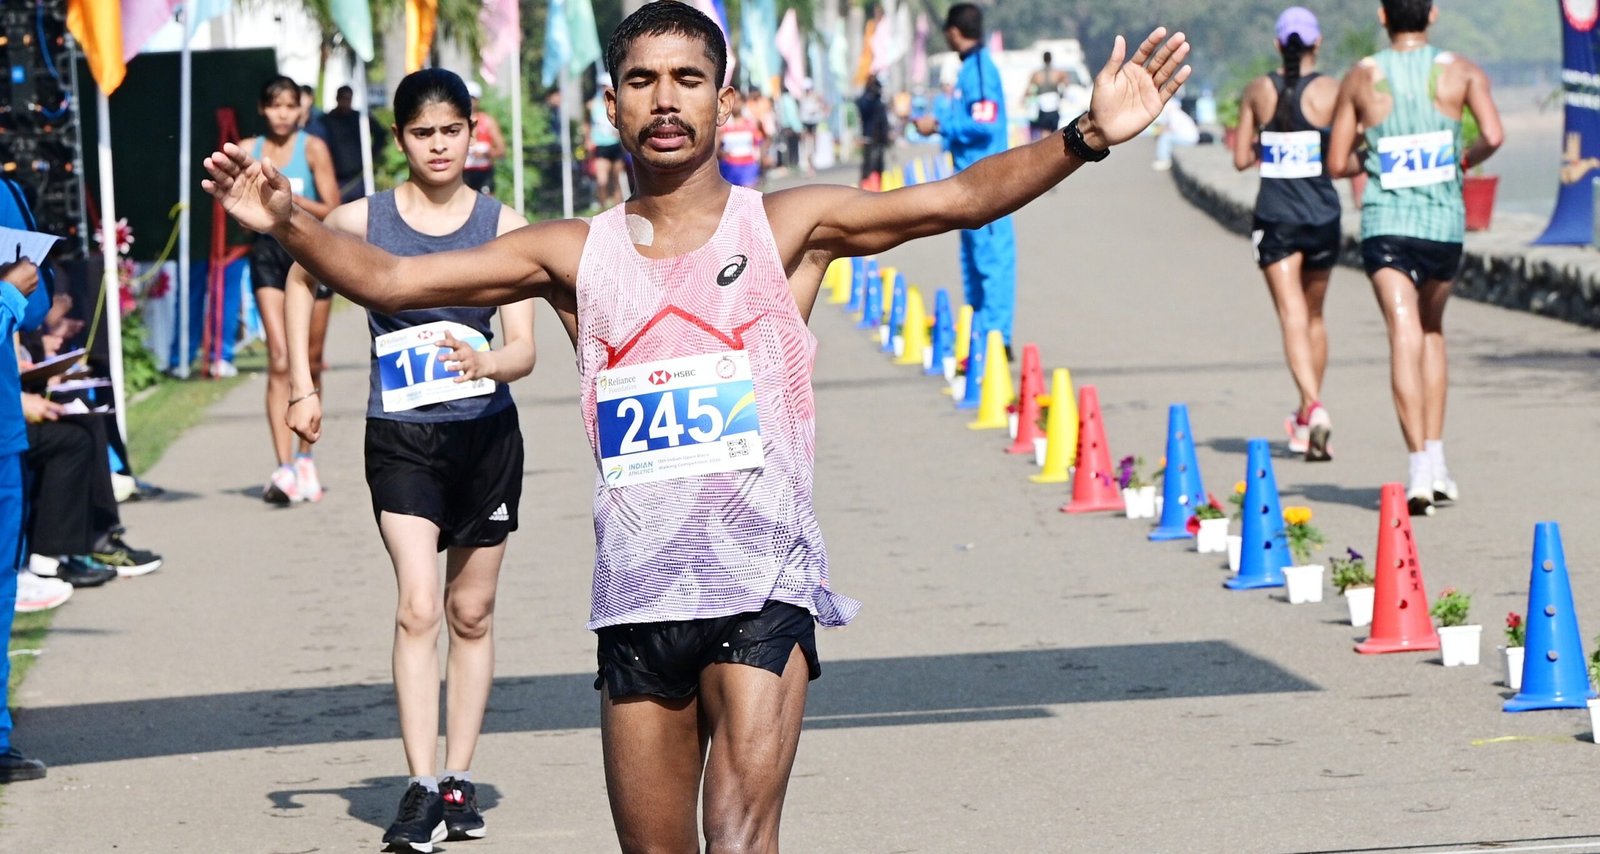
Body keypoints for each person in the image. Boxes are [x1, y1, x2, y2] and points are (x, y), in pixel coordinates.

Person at [203, 3, 1190, 847]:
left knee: (740, 833)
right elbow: (394, 278)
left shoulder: (789, 228)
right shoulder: (567, 251)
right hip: (636, 601)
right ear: (612, 104)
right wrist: (290, 222)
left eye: (687, 78)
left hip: (761, 587)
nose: (665, 99)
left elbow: (956, 201)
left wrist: (1084, 138)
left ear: (727, 100)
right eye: (642, 80)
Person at [283, 68, 536, 852]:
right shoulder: (364, 219)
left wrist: (490, 364)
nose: (438, 145)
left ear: (472, 132)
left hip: (485, 437)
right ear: (401, 140)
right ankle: (421, 785)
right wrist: (302, 383)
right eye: (423, 133)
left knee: (471, 612)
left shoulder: (505, 223)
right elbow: (301, 273)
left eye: (451, 131)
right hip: (402, 439)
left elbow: (524, 349)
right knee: (420, 604)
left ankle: (460, 777)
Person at [1328, 0, 1502, 516]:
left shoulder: (1361, 77)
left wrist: (1377, 153)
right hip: (1443, 225)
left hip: (1387, 227)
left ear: (1383, 17)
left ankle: (1418, 468)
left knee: (1402, 334)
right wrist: (1462, 160)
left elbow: (1337, 161)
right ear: (1433, 14)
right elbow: (1493, 136)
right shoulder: (1463, 71)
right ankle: (1438, 459)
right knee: (1431, 333)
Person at [1233, 7, 1342, 462]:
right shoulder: (1334, 92)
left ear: (1279, 44)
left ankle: (1312, 407)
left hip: (1276, 217)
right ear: (1317, 44)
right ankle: (1304, 412)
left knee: (1291, 315)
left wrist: (1267, 146)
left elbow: (1240, 158)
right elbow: (1346, 156)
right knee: (1313, 317)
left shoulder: (1259, 90)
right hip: (1323, 216)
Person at [243, 76, 341, 505]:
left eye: (290, 106)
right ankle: (283, 466)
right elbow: (241, 211)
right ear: (263, 109)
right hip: (267, 253)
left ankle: (306, 458)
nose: (282, 114)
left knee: (312, 359)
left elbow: (333, 207)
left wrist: (288, 203)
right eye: (275, 106)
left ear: (300, 110)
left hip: (309, 254)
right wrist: (259, 211)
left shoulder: (313, 147)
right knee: (280, 358)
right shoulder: (250, 149)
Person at [912, 4, 1017, 352]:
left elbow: (985, 123)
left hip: (990, 182)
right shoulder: (969, 70)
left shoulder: (981, 70)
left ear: (954, 32)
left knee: (992, 259)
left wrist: (940, 125)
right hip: (968, 180)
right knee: (972, 260)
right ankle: (980, 328)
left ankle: (997, 336)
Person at [0, 243, 47, 783]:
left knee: (2, 593)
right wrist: (10, 292)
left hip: (6, 439)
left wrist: (27, 285)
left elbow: (38, 295)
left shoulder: (8, 194)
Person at [323, 84, 382, 204]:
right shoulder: (326, 121)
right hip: (335, 178)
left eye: (348, 99)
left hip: (357, 177)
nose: (345, 102)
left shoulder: (361, 118)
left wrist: (371, 154)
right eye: (343, 99)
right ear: (337, 98)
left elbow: (381, 135)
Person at [587, 73, 627, 209]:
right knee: (602, 180)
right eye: (602, 86)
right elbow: (587, 124)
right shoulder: (592, 105)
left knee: (617, 179)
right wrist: (588, 139)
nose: (603, 88)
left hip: (615, 144)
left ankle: (619, 209)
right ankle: (604, 209)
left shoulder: (619, 104)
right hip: (601, 145)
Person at [463, 81, 507, 196]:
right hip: (463, 173)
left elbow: (502, 150)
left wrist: (486, 153)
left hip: (483, 172)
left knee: (486, 206)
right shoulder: (457, 122)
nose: (470, 102)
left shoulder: (487, 121)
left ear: (478, 100)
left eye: (473, 98)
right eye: (467, 98)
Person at [717, 88, 764, 188]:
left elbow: (761, 143)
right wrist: (721, 154)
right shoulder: (722, 127)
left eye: (738, 100)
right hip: (728, 169)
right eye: (733, 101)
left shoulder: (752, 124)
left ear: (743, 102)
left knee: (748, 200)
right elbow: (715, 150)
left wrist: (762, 162)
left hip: (748, 168)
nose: (736, 104)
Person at [1026, 51, 1069, 141]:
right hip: (1053, 104)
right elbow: (1066, 83)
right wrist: (1061, 95)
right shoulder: (1057, 73)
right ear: (1051, 59)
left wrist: (1029, 99)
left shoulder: (1037, 74)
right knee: (1054, 131)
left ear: (1043, 59)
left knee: (1044, 131)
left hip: (1043, 104)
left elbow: (1029, 90)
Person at [856, 76, 889, 186]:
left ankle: (879, 187)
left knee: (879, 165)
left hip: (880, 138)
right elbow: (862, 108)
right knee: (868, 165)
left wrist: (886, 137)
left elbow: (883, 120)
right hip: (869, 137)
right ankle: (865, 188)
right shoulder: (867, 100)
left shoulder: (879, 101)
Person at [1151, 96, 1200, 170]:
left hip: (1189, 139)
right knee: (1166, 137)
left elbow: (1172, 129)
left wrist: (1159, 131)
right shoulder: (1178, 113)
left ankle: (1164, 160)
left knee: (1165, 138)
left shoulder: (1174, 114)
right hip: (1188, 138)